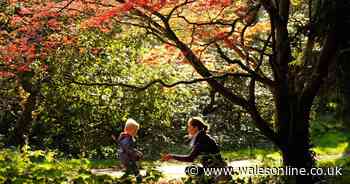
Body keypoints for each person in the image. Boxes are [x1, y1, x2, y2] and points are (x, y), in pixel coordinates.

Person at [161, 117, 227, 182]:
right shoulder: (203, 137)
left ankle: (210, 180)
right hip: (217, 169)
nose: (188, 129)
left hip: (217, 172)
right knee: (192, 169)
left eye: (189, 127)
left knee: (190, 170)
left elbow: (190, 158)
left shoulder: (202, 139)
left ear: (196, 128)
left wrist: (171, 156)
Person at [112, 118, 143, 183]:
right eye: (135, 131)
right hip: (127, 157)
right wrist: (136, 152)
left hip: (124, 157)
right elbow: (128, 148)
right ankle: (138, 179)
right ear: (130, 130)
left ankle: (121, 180)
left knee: (130, 170)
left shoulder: (124, 136)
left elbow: (123, 146)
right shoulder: (127, 138)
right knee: (134, 169)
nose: (136, 132)